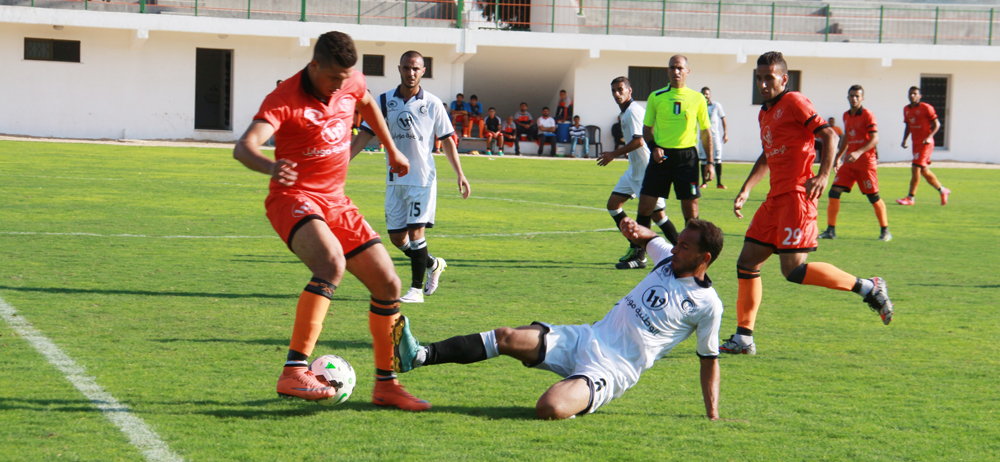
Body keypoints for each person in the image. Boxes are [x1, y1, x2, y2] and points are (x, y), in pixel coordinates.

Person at [232, 31, 429, 411]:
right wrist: (270, 166)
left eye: (346, 78)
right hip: (293, 197)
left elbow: (367, 103)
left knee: (389, 283)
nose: (341, 85)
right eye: (334, 78)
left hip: (336, 201)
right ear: (315, 65)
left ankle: (386, 386)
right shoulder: (284, 98)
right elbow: (244, 147)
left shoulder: (351, 80)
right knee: (330, 263)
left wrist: (391, 149)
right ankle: (294, 370)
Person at [392, 217, 725, 421]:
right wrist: (634, 230)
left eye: (684, 247)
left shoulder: (707, 304)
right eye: (678, 243)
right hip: (586, 336)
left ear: (704, 257)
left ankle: (576, 398)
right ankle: (418, 355)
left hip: (612, 369)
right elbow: (651, 239)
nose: (675, 249)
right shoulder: (668, 259)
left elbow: (709, 359)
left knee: (549, 408)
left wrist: (712, 414)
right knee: (506, 336)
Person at [723, 52, 894, 356]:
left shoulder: (795, 101)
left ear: (783, 78)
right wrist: (747, 188)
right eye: (759, 78)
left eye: (769, 78)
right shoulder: (765, 113)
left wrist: (824, 175)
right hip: (775, 199)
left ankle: (869, 287)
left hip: (797, 197)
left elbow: (829, 136)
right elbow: (767, 154)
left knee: (793, 270)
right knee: (747, 263)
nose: (763, 84)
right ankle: (744, 338)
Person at [352, 50, 472, 304]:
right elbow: (364, 134)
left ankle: (416, 290)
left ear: (423, 71)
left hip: (422, 179)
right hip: (395, 179)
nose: (411, 73)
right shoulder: (384, 101)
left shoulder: (433, 104)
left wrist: (460, 173)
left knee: (417, 233)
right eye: (406, 68)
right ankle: (433, 264)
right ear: (399, 69)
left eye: (416, 68)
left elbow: (447, 140)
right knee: (397, 238)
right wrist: (343, 162)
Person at [598, 76, 680, 270]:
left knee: (658, 216)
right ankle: (636, 248)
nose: (617, 94)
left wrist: (613, 154)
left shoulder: (634, 111)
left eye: (620, 89)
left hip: (646, 173)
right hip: (633, 171)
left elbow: (639, 140)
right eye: (614, 91)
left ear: (629, 90)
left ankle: (682, 252)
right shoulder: (625, 113)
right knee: (613, 205)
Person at [640, 55, 714, 229]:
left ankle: (690, 246)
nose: (676, 71)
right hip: (661, 157)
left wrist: (710, 163)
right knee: (645, 206)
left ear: (687, 71)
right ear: (668, 71)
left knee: (691, 210)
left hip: (687, 159)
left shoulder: (697, 98)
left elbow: (705, 133)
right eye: (672, 67)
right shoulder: (656, 97)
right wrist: (654, 147)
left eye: (680, 68)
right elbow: (646, 130)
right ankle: (639, 245)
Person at [819, 85, 891, 242]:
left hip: (866, 163)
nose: (854, 98)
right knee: (834, 192)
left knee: (873, 197)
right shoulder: (846, 115)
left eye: (857, 96)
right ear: (848, 97)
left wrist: (858, 152)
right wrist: (838, 157)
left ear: (862, 98)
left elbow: (875, 138)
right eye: (852, 95)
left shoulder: (868, 115)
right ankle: (830, 230)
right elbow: (846, 137)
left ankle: (885, 230)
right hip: (849, 164)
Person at [897, 86, 949, 206]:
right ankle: (943, 190)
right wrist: (904, 140)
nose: (912, 95)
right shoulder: (906, 109)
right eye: (910, 93)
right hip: (915, 143)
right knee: (924, 171)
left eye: (915, 94)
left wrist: (929, 137)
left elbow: (937, 124)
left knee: (915, 168)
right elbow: (908, 126)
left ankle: (910, 198)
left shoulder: (926, 108)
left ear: (920, 96)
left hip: (926, 144)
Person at [698, 87, 728, 189]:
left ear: (710, 95)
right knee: (703, 160)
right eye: (703, 94)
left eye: (707, 94)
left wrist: (725, 133)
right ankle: (704, 182)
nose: (705, 96)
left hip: (715, 137)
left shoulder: (716, 105)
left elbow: (723, 119)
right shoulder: (699, 106)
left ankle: (719, 183)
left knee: (717, 160)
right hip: (703, 137)